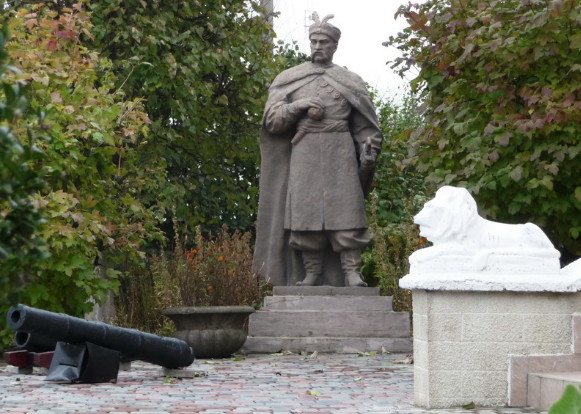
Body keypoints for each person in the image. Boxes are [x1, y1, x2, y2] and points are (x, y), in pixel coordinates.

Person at [252, 12, 383, 287]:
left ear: (334, 46)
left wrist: (369, 147)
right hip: (305, 152)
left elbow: (365, 126)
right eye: (314, 41)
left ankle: (352, 273)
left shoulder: (351, 81)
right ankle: (311, 273)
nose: (318, 46)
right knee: (305, 214)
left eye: (324, 42)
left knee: (347, 213)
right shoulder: (291, 78)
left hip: (340, 153)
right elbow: (273, 123)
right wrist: (298, 106)